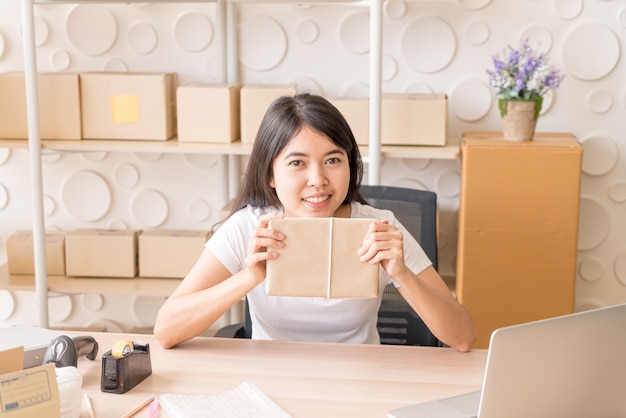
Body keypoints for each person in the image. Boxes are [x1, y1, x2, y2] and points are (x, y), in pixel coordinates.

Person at [154, 93, 476, 352]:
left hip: (360, 383)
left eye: (332, 160)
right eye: (297, 163)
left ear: (350, 164)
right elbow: (167, 330)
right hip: (272, 386)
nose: (318, 180)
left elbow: (463, 337)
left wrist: (402, 273)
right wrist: (249, 277)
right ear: (271, 174)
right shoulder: (248, 227)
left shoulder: (379, 227)